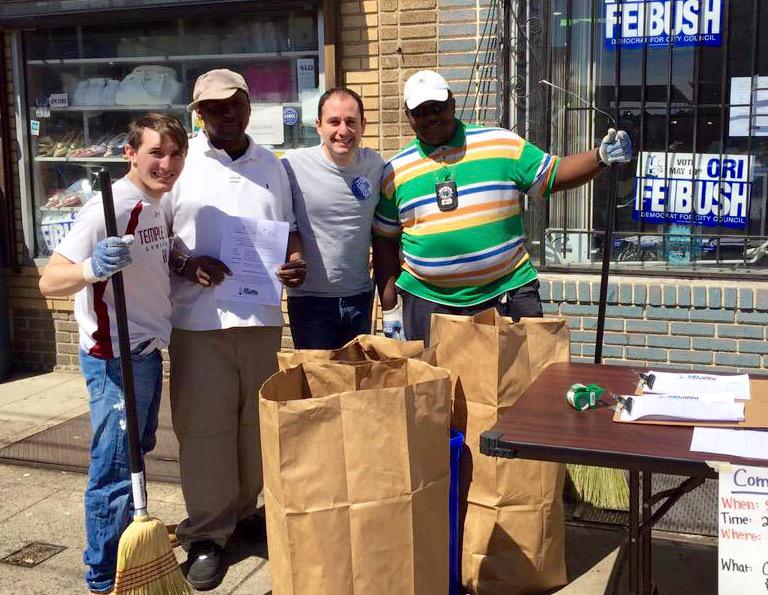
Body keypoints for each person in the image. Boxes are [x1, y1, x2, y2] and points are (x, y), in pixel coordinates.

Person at [162, 69, 305, 591]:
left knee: (252, 427)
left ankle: (246, 514)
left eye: (232, 104)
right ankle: (206, 532)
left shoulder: (272, 163)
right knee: (205, 431)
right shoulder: (180, 164)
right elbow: (158, 236)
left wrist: (294, 261)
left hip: (262, 318)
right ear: (199, 114)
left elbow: (287, 230)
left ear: (248, 104)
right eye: (211, 108)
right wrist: (183, 262)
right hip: (200, 320)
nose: (224, 114)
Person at [38, 113, 188, 594]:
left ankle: (128, 549)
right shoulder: (111, 206)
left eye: (174, 154)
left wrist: (185, 259)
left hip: (144, 349)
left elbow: (157, 254)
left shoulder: (155, 202)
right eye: (155, 154)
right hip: (113, 357)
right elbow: (50, 280)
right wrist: (91, 267)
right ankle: (103, 578)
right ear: (130, 153)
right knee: (114, 467)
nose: (166, 164)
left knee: (135, 455)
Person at [372, 70, 632, 344]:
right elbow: (384, 240)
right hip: (428, 302)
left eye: (438, 107)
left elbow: (552, 174)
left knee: (521, 385)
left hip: (506, 294)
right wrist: (390, 309)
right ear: (408, 116)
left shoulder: (500, 143)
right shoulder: (394, 170)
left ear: (453, 103)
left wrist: (600, 156)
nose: (431, 117)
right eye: (420, 112)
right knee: (438, 385)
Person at [281, 88, 385, 349]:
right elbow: (279, 222)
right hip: (309, 301)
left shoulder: (375, 165)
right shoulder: (291, 166)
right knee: (317, 385)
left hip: (360, 296)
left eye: (351, 122)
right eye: (334, 121)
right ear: (318, 126)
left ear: (363, 125)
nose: (343, 130)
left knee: (357, 384)